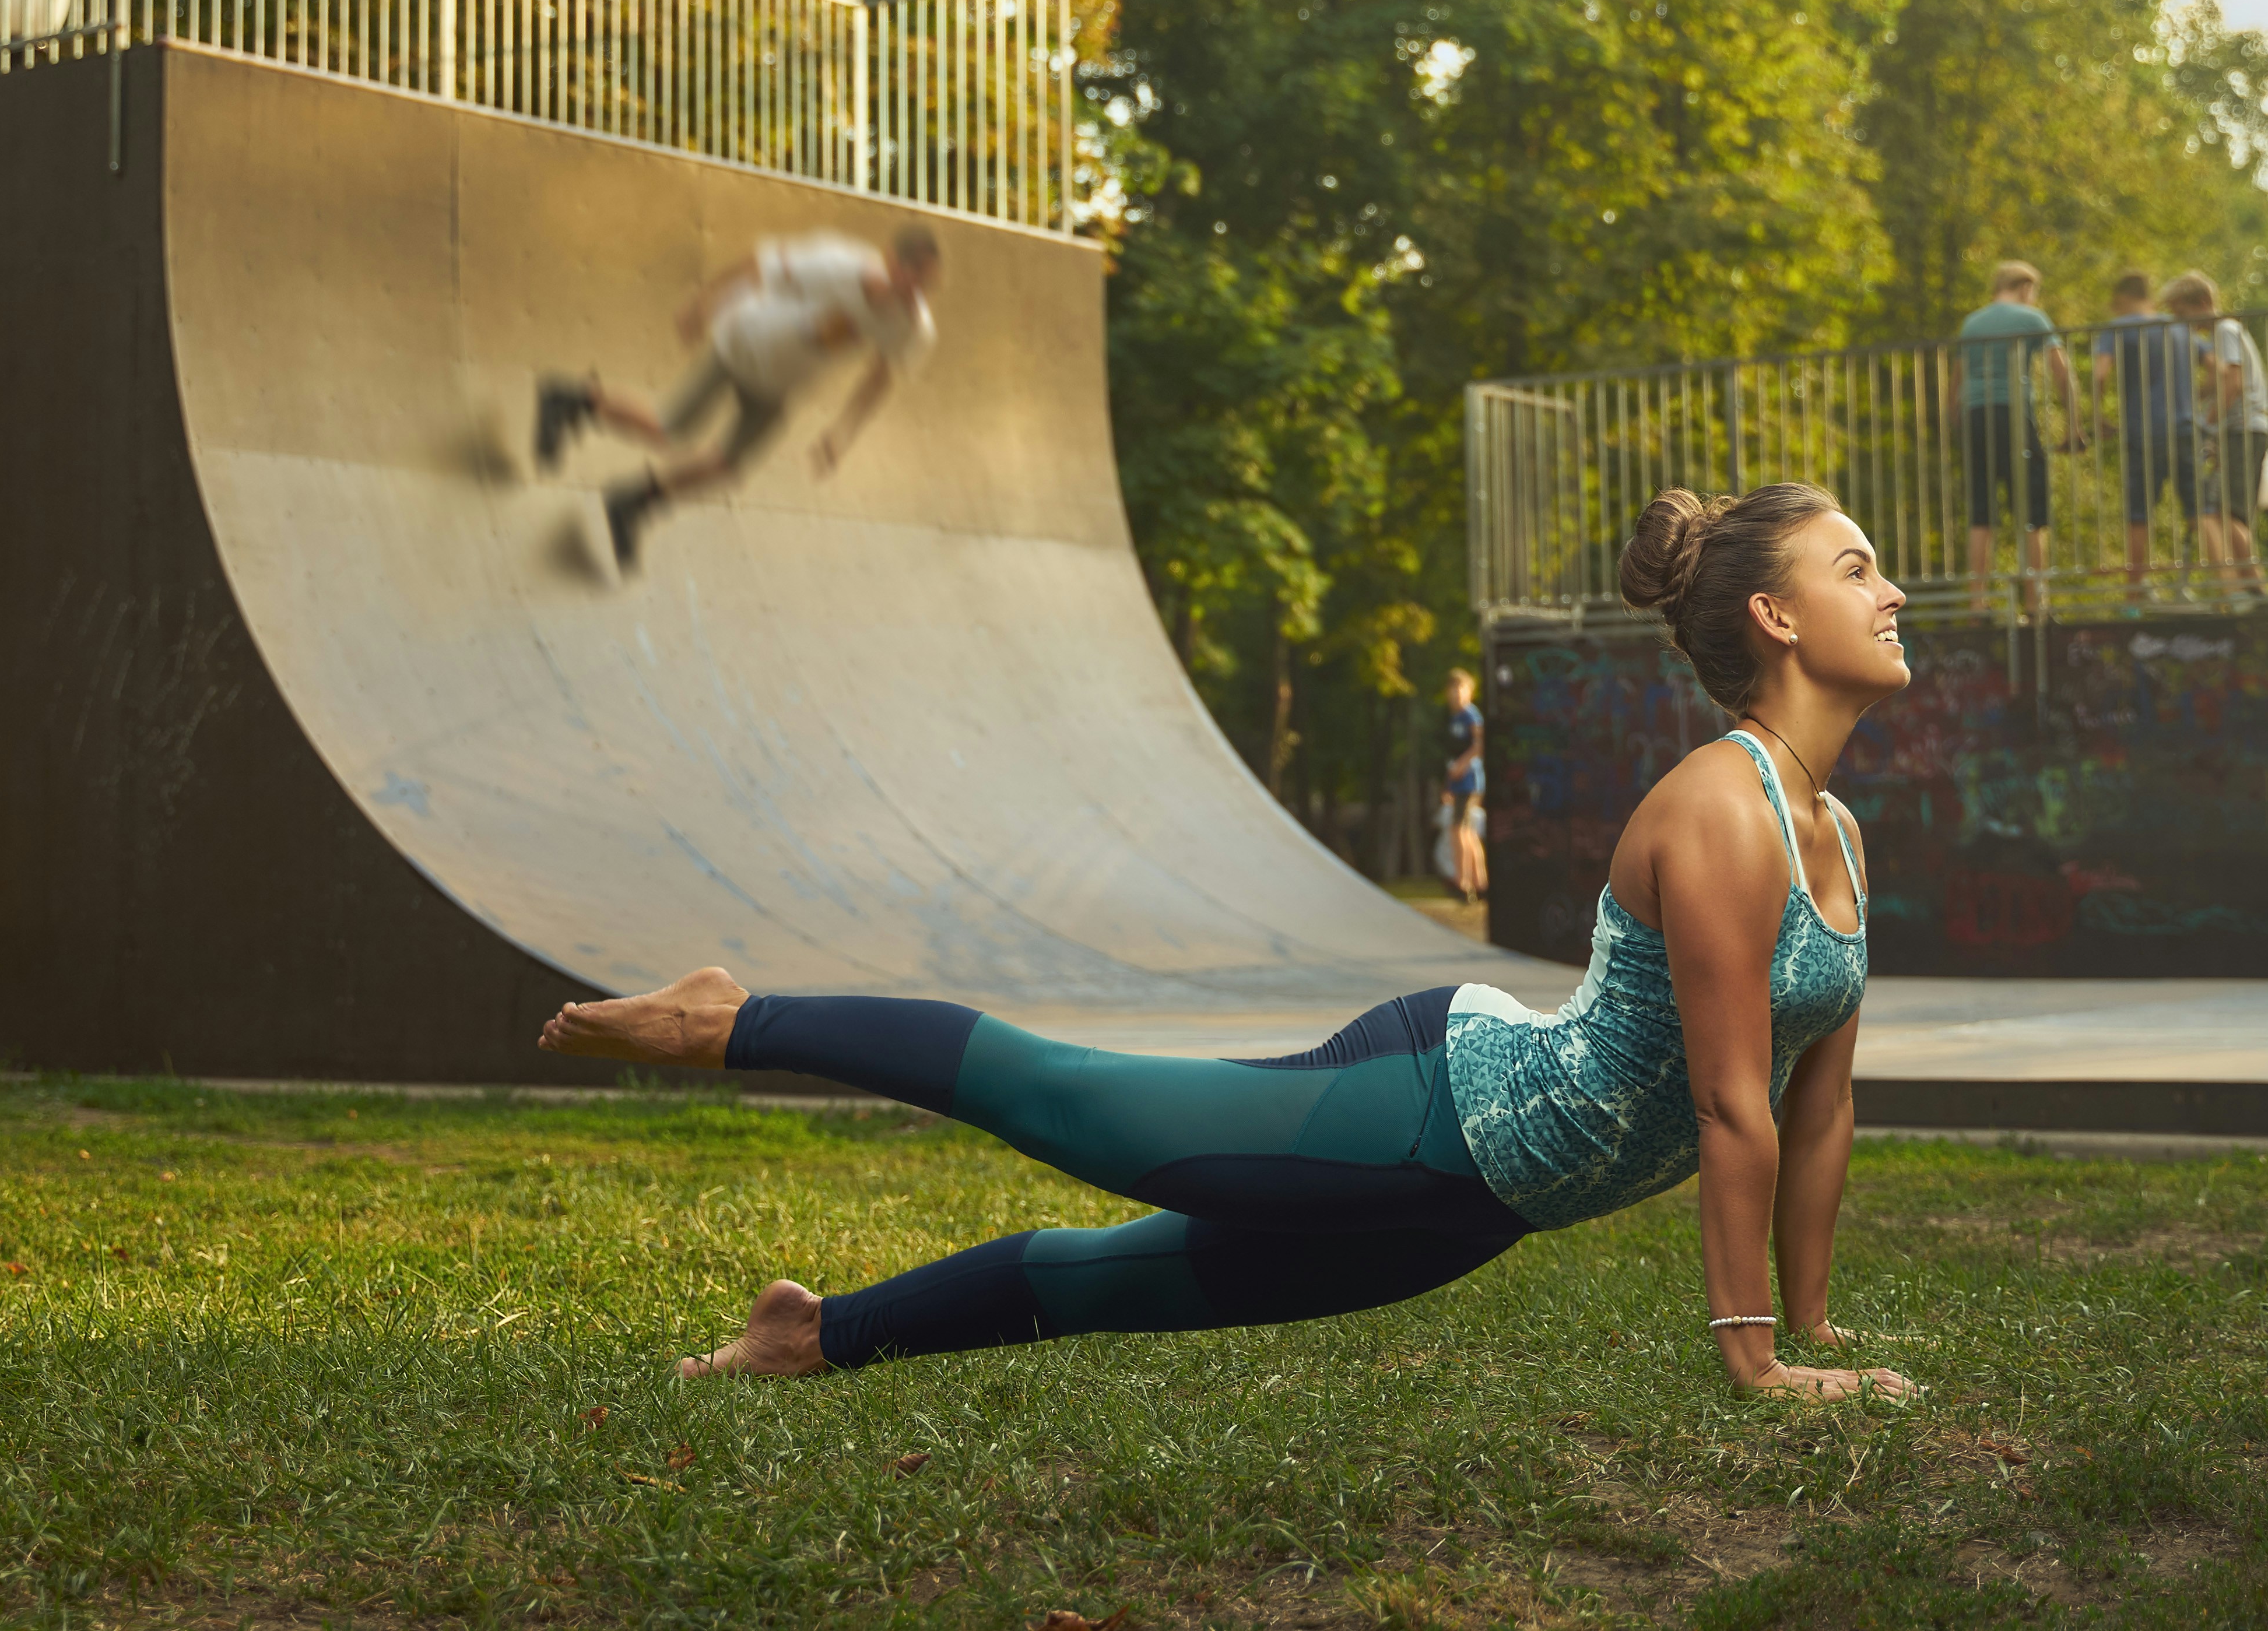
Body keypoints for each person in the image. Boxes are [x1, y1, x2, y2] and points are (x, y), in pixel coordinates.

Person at [538, 482, 1916, 1401]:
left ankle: (810, 1332)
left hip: (1485, 1203)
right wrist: (1753, 1362)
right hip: (1437, 1107)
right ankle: (732, 1016)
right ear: (1775, 616)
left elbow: (1819, 1105)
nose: (1893, 591)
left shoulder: (1837, 835)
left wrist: (1812, 1325)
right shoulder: (1720, 808)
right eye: (1856, 568)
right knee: (1078, 1102)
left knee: (1130, 1282)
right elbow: (1728, 1105)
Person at [535, 226, 942, 571]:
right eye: (912, 279)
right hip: (741, 344)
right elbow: (758, 262)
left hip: (777, 387)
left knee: (728, 466)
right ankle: (570, 400)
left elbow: (880, 378)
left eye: (926, 285)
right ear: (890, 261)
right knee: (668, 428)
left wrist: (843, 433)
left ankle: (632, 502)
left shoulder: (912, 327)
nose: (916, 294)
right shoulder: (837, 264)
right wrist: (704, 302)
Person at [1953, 262, 2080, 616]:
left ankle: (1977, 602)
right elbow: (2062, 372)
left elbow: (1956, 382)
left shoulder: (1971, 323)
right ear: (2025, 287)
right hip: (2012, 414)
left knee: (1981, 512)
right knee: (2031, 509)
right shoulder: (2031, 317)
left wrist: (1957, 425)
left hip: (1975, 416)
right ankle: (2035, 602)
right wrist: (2074, 425)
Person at [2090, 270, 2200, 602]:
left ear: (2122, 299)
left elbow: (2100, 374)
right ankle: (2209, 585)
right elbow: (2217, 366)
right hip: (2186, 427)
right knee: (2198, 510)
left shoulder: (2120, 327)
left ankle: (2136, 591)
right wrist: (2203, 405)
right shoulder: (2179, 328)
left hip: (2144, 430)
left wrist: (2097, 417)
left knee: (2139, 512)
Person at [2161, 272, 2268, 597]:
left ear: (2202, 303)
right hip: (2240, 431)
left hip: (2244, 430)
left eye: (2182, 314)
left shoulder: (2224, 330)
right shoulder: (2224, 334)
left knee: (2226, 512)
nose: (2181, 323)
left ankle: (2256, 591)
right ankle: (2250, 590)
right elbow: (2216, 384)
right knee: (2227, 511)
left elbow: (2232, 382)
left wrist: (2206, 428)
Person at [1442, 669, 1488, 906]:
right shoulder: (1454, 719)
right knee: (1467, 832)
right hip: (1458, 783)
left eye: (1460, 689)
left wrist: (1462, 765)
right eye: (1453, 689)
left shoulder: (1472, 716)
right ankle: (1480, 883)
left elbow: (1479, 745)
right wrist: (1448, 784)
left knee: (1457, 830)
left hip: (1470, 781)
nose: (1456, 694)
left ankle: (1463, 883)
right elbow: (1453, 753)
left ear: (1470, 692)